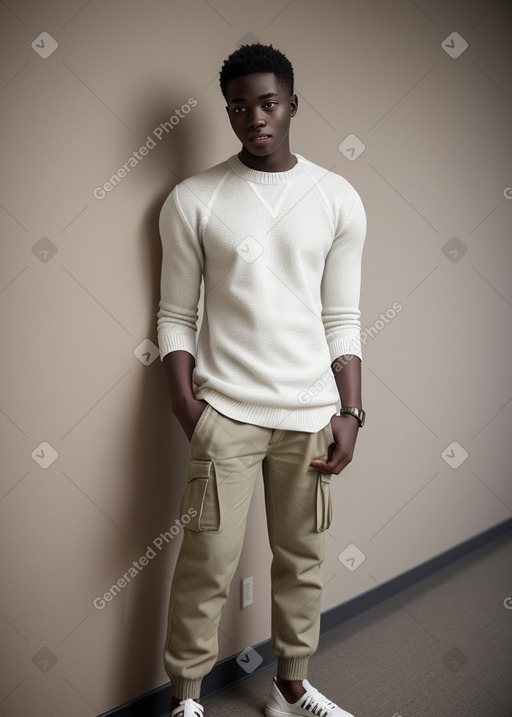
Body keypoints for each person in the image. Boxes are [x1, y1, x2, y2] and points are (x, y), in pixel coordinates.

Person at [157, 43, 366, 717]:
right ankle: (187, 698)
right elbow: (175, 316)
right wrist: (189, 406)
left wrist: (351, 412)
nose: (255, 118)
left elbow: (343, 316)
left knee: (300, 562)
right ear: (229, 112)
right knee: (205, 565)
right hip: (227, 417)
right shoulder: (193, 199)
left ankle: (290, 686)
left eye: (268, 102)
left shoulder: (336, 197)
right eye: (240, 107)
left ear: (292, 104)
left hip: (310, 415)